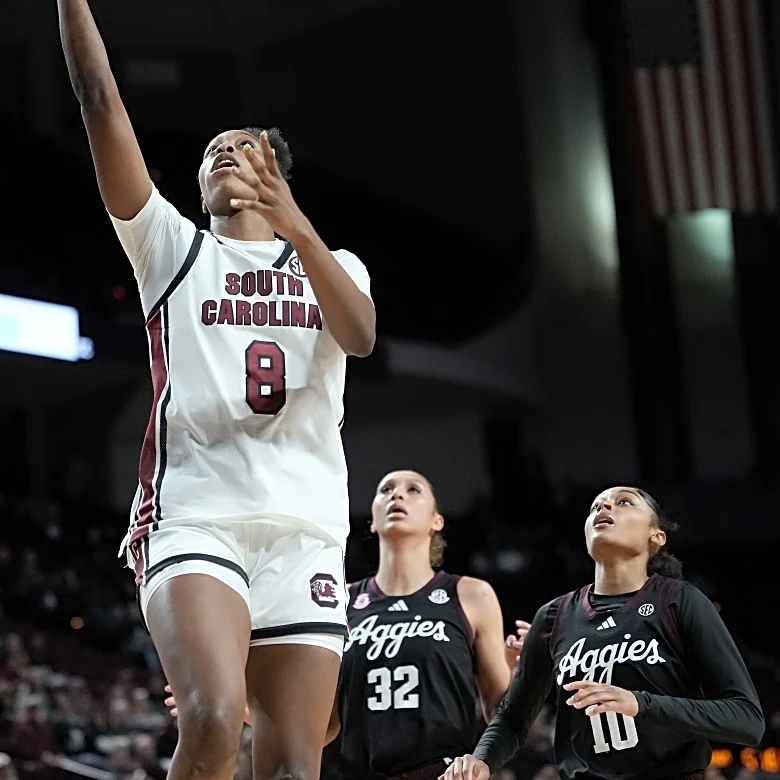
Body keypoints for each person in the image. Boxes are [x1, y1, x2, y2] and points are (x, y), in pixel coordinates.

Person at [57, 5, 375, 780]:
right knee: (210, 718)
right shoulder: (171, 249)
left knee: (294, 767)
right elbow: (98, 97)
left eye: (244, 146)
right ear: (199, 188)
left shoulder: (336, 265)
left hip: (305, 532)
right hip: (196, 515)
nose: (224, 151)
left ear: (278, 175)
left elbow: (361, 336)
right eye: (211, 152)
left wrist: (297, 227)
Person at [164, 470, 530, 779]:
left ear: (437, 520)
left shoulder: (469, 594)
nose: (397, 495)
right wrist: (225, 703)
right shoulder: (338, 600)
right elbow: (322, 725)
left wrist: (525, 672)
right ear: (371, 519)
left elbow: (499, 710)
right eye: (386, 489)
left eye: (413, 490)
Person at [441, 486, 765, 780]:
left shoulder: (679, 601)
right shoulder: (554, 616)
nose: (604, 507)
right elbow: (512, 720)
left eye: (624, 502)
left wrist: (640, 703)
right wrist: (481, 760)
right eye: (596, 506)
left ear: (656, 536)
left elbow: (747, 720)